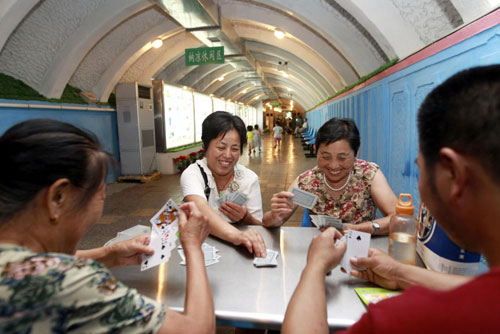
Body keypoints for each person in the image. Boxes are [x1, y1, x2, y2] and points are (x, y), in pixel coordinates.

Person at [282, 65, 500, 333]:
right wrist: (399, 273)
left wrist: (315, 267)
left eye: (420, 166)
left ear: (453, 175)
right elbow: (478, 291)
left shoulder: (401, 319)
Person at [0, 119, 215, 333]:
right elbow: (198, 329)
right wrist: (194, 247)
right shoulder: (69, 282)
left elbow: (33, 264)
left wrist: (109, 255)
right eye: (99, 193)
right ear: (58, 197)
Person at [263, 118, 397, 235]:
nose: (333, 166)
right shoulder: (307, 181)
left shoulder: (368, 174)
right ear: (316, 150)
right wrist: (275, 216)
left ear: (356, 154)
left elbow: (399, 218)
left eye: (342, 158)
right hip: (321, 252)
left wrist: (366, 228)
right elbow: (270, 222)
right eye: (325, 157)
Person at [180, 111, 266, 258]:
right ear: (205, 146)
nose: (227, 155)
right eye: (221, 147)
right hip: (200, 250)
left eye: (234, 149)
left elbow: (258, 227)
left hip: (240, 254)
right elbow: (200, 209)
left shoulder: (249, 179)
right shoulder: (193, 174)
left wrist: (245, 217)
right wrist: (237, 236)